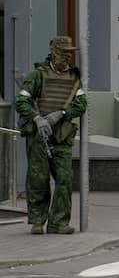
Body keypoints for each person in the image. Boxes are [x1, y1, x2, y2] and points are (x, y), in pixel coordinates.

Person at [13, 36, 87, 235]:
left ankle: (58, 222)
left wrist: (61, 114)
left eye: (70, 53)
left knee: (65, 178)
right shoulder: (38, 75)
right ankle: (38, 221)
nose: (67, 56)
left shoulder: (73, 79)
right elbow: (21, 101)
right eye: (63, 52)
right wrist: (37, 118)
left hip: (61, 137)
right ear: (53, 52)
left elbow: (81, 105)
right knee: (39, 178)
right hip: (39, 137)